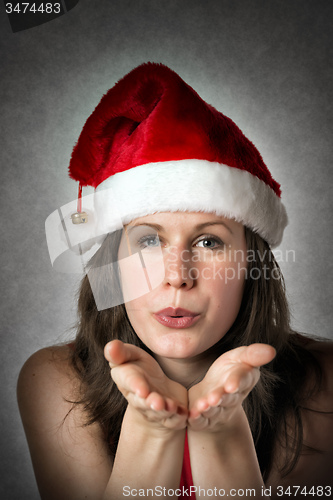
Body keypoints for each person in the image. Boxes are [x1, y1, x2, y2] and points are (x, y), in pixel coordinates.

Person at [17, 63, 333, 500]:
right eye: (148, 240)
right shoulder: (53, 379)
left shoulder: (324, 379)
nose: (177, 276)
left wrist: (221, 436)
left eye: (208, 241)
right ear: (113, 264)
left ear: (249, 264)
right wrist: (151, 432)